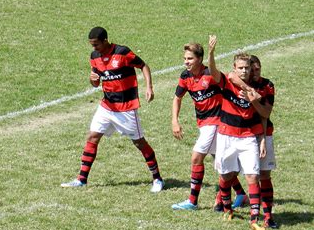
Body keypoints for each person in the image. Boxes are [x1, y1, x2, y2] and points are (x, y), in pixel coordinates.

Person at [61, 27, 164, 192]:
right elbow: (96, 82)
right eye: (92, 45)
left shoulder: (122, 52)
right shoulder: (94, 57)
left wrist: (149, 87)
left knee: (139, 143)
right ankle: (81, 179)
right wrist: (92, 79)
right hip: (106, 106)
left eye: (96, 44)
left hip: (126, 108)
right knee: (93, 137)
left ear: (105, 40)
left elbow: (143, 66)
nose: (94, 48)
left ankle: (157, 179)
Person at [171, 36, 248, 210]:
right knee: (220, 163)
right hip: (203, 124)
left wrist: (212, 53)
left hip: (216, 123)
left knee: (196, 157)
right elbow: (177, 98)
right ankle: (241, 194)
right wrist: (175, 120)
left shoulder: (209, 75)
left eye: (190, 59)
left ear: (199, 59)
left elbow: (222, 76)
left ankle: (192, 201)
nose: (186, 62)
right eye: (184, 59)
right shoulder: (185, 76)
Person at [209, 40, 268, 230]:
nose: (243, 71)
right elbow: (221, 73)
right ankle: (227, 208)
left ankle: (254, 219)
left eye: (247, 68)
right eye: (240, 68)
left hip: (248, 137)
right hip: (227, 135)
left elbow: (264, 114)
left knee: (252, 176)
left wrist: (261, 140)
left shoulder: (259, 87)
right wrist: (211, 53)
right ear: (235, 68)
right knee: (226, 175)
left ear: (252, 69)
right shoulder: (228, 80)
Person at [248, 55, 278, 229]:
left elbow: (266, 114)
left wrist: (263, 140)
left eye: (258, 68)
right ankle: (223, 202)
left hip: (264, 134)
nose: (256, 73)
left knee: (265, 174)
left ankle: (268, 216)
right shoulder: (244, 85)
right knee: (232, 172)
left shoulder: (268, 85)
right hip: (245, 135)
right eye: (252, 70)